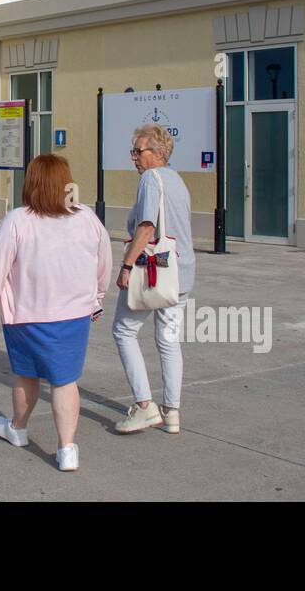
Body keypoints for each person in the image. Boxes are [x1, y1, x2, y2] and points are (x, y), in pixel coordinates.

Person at [0, 154, 111, 472]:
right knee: (65, 381)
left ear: (32, 183)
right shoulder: (87, 217)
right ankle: (67, 449)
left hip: (27, 315)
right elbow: (103, 262)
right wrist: (97, 297)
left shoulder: (18, 220)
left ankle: (18, 428)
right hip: (75, 314)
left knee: (26, 375)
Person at [113, 124, 195, 435]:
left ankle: (145, 407)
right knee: (169, 341)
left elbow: (146, 227)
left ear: (158, 154)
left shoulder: (151, 178)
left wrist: (127, 265)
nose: (133, 157)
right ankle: (171, 412)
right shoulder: (178, 181)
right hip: (181, 273)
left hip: (153, 271)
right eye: (132, 150)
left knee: (123, 330)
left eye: (139, 150)